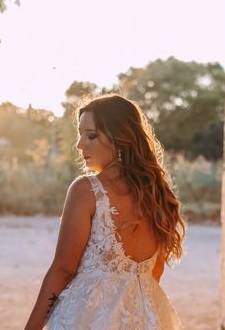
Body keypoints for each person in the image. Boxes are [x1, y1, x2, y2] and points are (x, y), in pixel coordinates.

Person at [24, 94, 186, 329]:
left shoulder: (86, 191)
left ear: (120, 139)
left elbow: (63, 269)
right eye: (80, 134)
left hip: (89, 318)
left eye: (91, 135)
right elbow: (155, 274)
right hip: (148, 318)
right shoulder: (157, 196)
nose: (80, 144)